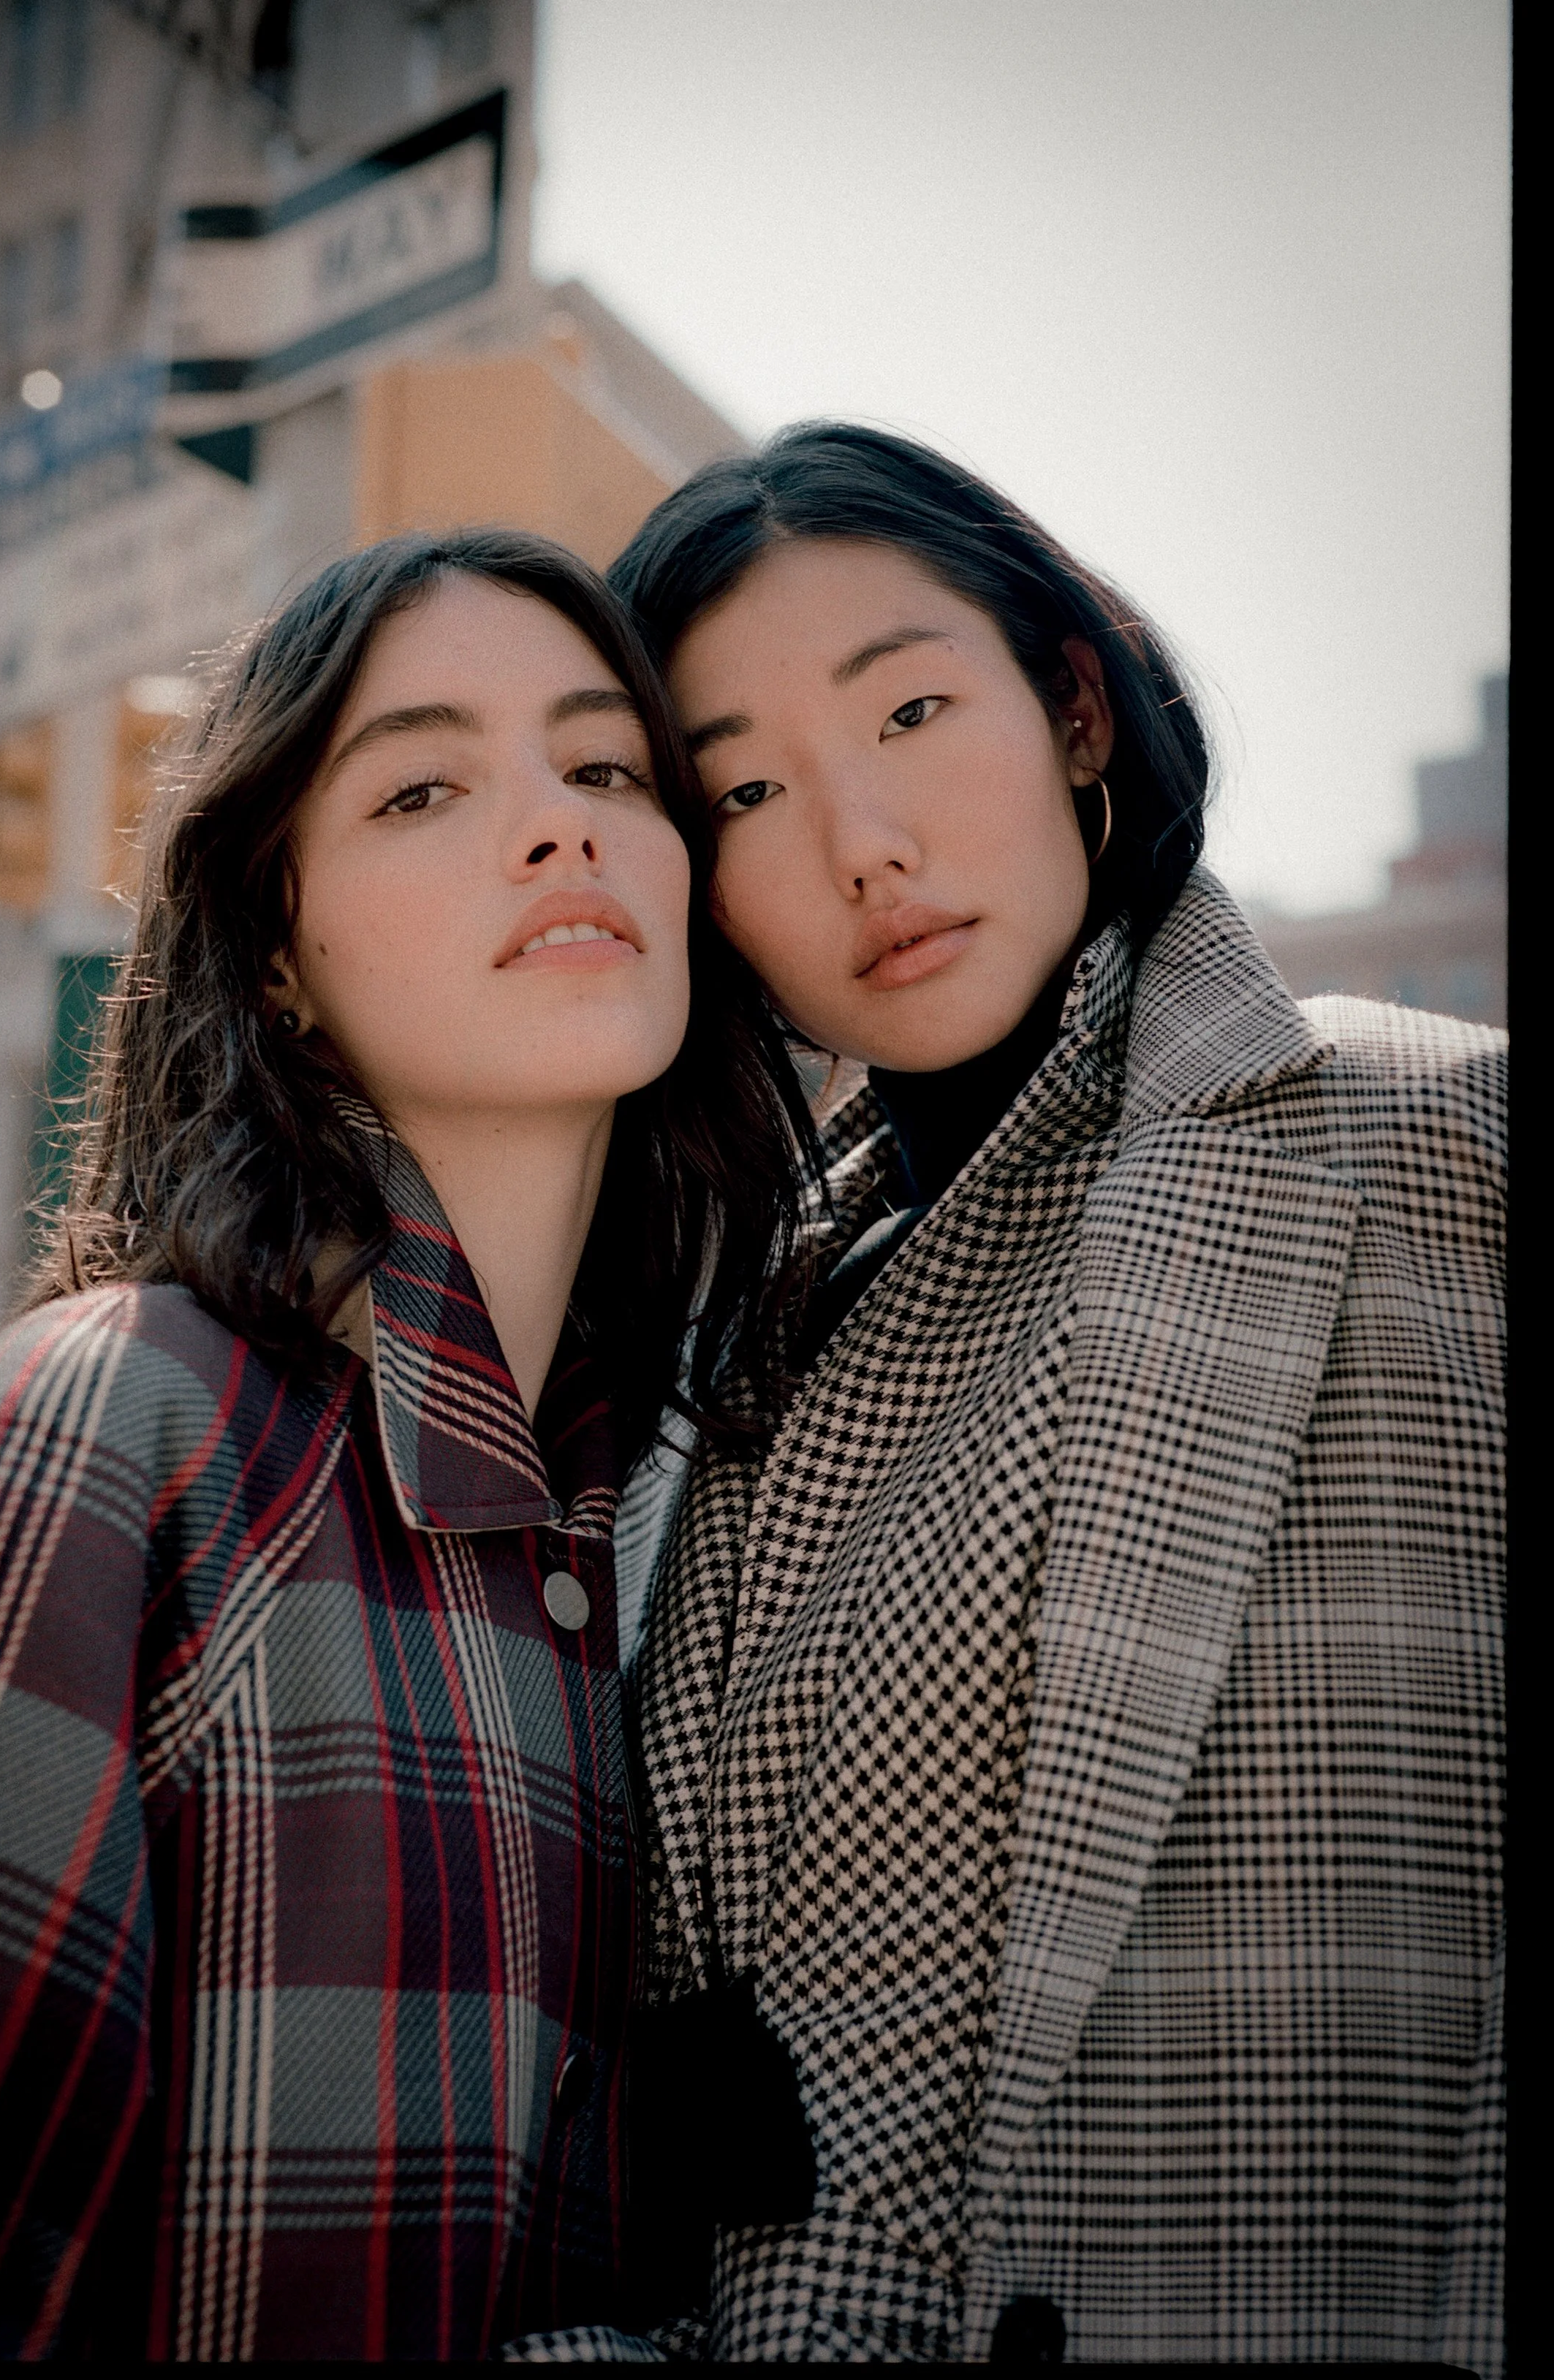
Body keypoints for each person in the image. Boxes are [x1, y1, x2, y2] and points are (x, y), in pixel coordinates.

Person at [0, 530, 814, 2362]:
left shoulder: (664, 1516)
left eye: (604, 766)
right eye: (421, 783)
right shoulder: (109, 1438)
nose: (558, 825)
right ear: (274, 957)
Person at [580, 424, 1504, 2369]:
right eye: (740, 787)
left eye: (910, 709)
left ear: (1074, 706)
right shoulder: (714, 1360)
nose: (862, 844)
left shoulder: (1432, 1146)